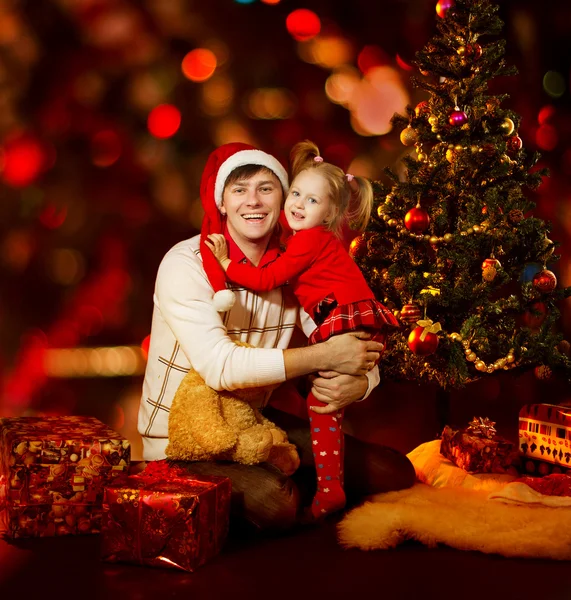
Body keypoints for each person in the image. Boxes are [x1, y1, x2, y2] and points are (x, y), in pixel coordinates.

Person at [138, 141, 414, 531]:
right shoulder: (184, 264)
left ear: (283, 200)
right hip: (179, 441)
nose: (253, 201)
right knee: (278, 502)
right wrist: (324, 358)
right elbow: (222, 367)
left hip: (255, 422)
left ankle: (297, 480)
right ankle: (285, 486)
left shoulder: (294, 267)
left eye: (266, 188)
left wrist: (360, 382)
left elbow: (346, 335)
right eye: (239, 190)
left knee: (394, 472)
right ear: (221, 203)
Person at [205, 140, 399, 519]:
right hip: (347, 326)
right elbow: (223, 364)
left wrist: (227, 264)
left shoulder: (305, 244)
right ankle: (329, 487)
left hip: (347, 322)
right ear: (222, 202)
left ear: (330, 214)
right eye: (297, 193)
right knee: (315, 418)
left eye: (311, 201)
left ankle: (329, 489)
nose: (298, 204)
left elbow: (268, 278)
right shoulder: (191, 261)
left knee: (324, 407)